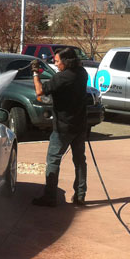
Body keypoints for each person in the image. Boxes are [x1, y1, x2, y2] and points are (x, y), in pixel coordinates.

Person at [30, 47, 90, 207]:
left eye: (57, 61)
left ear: (66, 62)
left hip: (63, 127)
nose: (55, 64)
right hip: (80, 125)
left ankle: (50, 197)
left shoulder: (62, 78)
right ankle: (80, 195)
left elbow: (40, 90)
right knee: (79, 161)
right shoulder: (82, 73)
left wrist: (36, 74)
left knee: (53, 160)